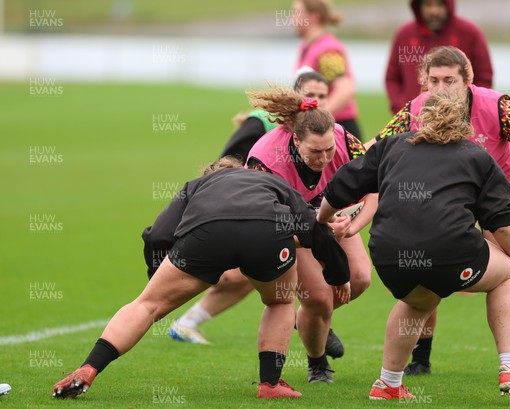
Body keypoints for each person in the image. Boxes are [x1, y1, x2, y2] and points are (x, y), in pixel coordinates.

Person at [367, 46, 510, 375]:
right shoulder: (416, 109)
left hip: (504, 189)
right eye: (434, 80)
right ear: (424, 82)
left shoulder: (496, 107)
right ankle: (421, 358)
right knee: (428, 261)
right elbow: (374, 148)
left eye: (450, 80)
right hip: (450, 194)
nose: (441, 89)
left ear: (468, 79)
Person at [51, 158, 351, 400]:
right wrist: (339, 276)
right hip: (268, 233)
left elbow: (158, 233)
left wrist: (158, 275)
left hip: (207, 234)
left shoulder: (195, 186)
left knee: (147, 305)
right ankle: (270, 384)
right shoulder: (271, 180)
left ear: (211, 174)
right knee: (280, 301)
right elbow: (313, 227)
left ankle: (89, 367)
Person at [318, 91, 510, 401]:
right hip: (447, 252)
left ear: (420, 120)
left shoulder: (391, 146)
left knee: (419, 301)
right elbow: (501, 221)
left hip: (389, 256)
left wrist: (324, 219)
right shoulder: (477, 155)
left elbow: (341, 185)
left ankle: (388, 384)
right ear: (463, 123)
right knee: (507, 272)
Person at [164, 71, 345, 355]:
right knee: (243, 277)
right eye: (312, 95)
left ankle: (188, 322)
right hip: (253, 210)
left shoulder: (325, 131)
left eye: (323, 96)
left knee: (259, 279)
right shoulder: (261, 123)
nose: (319, 102)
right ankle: (186, 322)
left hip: (290, 215)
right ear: (298, 97)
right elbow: (225, 162)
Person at [243, 85, 375, 383]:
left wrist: (353, 225)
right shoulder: (266, 160)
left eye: (329, 149)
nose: (325, 157)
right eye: (315, 151)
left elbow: (374, 187)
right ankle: (317, 362)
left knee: (360, 279)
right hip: (292, 227)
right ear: (295, 140)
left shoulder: (342, 138)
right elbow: (264, 223)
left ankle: (306, 321)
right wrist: (316, 230)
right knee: (318, 298)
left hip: (332, 217)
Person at [385, 0, 493, 114]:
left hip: (459, 120)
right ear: (419, 6)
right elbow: (392, 77)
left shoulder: (470, 33)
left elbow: (484, 77)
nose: (434, 11)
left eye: (439, 5)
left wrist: (468, 109)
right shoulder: (405, 34)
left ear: (448, 5)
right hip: (413, 118)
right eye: (428, 4)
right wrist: (402, 108)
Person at [220, 70, 329, 163]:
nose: (316, 101)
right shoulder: (263, 121)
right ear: (295, 94)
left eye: (322, 96)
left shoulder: (327, 128)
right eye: (310, 95)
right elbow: (229, 160)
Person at [292, 0, 362, 138]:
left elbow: (345, 88)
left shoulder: (327, 49)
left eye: (296, 13)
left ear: (313, 17)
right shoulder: (307, 46)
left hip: (338, 128)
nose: (291, 18)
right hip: (323, 128)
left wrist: (318, 117)